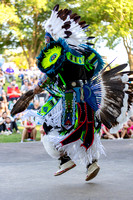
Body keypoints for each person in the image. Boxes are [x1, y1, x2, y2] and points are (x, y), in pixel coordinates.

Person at [11, 4, 133, 181]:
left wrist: (33, 91)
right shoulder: (84, 52)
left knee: (49, 127)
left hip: (68, 100)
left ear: (53, 38)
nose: (46, 43)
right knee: (88, 128)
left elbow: (48, 77)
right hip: (88, 97)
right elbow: (92, 70)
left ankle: (64, 159)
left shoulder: (58, 53)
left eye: (47, 40)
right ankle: (92, 163)